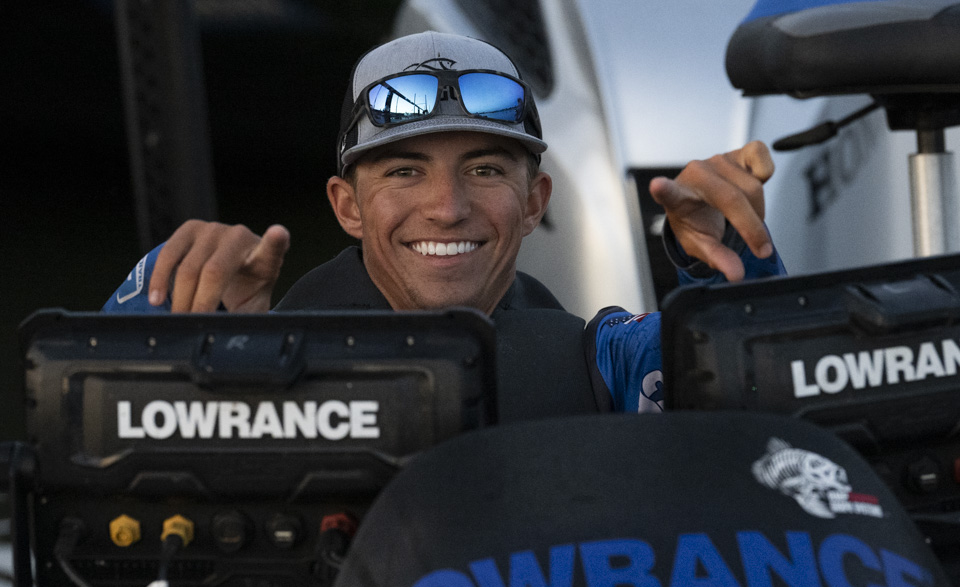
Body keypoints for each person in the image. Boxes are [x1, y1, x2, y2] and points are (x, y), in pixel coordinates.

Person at [103, 30, 785, 419]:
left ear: (535, 202)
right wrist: (179, 329)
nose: (448, 206)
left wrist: (728, 263)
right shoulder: (261, 357)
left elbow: (765, 395)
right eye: (405, 171)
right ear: (347, 206)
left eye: (484, 170)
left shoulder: (601, 363)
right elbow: (88, 443)